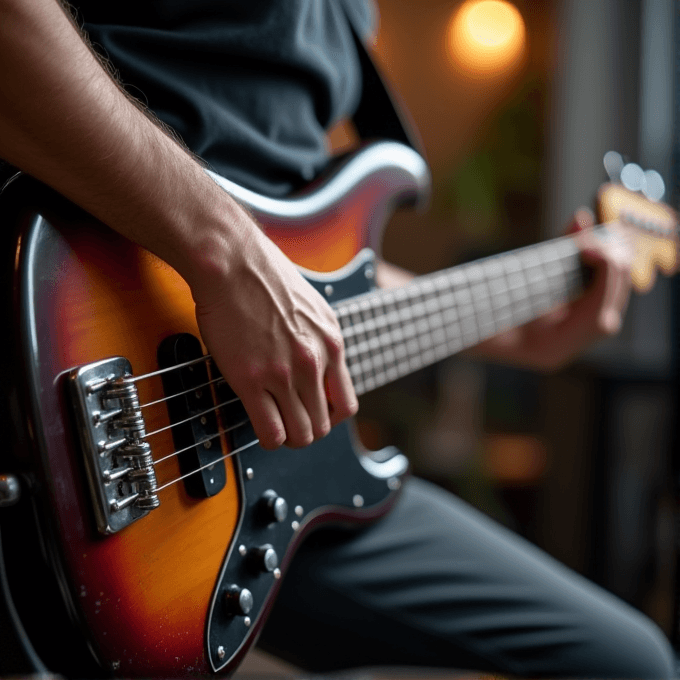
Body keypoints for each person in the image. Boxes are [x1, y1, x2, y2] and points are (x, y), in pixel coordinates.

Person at [0, 0, 675, 676]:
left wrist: (514, 332)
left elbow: (309, 271)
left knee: (628, 661)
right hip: (62, 348)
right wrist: (227, 253)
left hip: (266, 477)